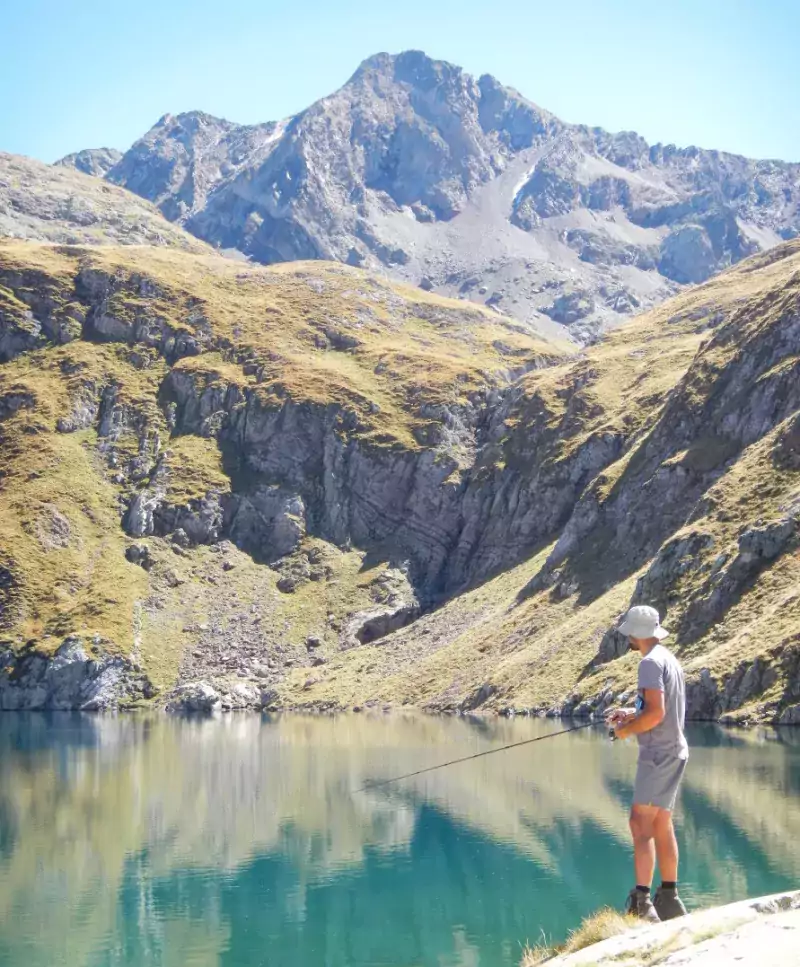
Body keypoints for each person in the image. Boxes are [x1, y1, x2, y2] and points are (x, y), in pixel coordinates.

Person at [606, 605, 689, 923]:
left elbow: (656, 714)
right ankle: (669, 898)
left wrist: (623, 730)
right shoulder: (668, 659)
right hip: (675, 751)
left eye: (629, 632)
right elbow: (657, 706)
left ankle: (642, 902)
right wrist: (630, 712)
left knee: (640, 824)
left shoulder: (649, 664)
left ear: (636, 634)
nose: (627, 636)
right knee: (661, 823)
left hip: (657, 756)